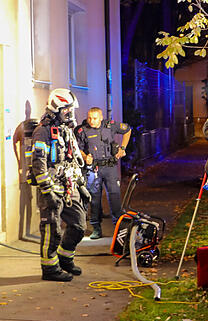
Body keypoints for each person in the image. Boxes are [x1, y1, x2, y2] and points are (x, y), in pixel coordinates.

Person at [28, 88, 89, 281]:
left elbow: (72, 158)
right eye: (66, 110)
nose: (70, 114)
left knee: (79, 225)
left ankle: (65, 258)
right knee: (52, 230)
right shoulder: (42, 131)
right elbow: (38, 163)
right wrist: (47, 191)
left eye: (71, 110)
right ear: (55, 109)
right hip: (52, 188)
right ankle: (50, 269)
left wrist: (81, 184)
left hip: (70, 186)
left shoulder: (66, 129)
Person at [75, 107, 131, 239]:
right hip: (93, 169)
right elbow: (78, 148)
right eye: (89, 118)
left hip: (110, 168)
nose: (91, 121)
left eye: (94, 118)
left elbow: (127, 130)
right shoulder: (82, 130)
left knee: (114, 196)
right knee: (94, 199)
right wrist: (84, 157)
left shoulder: (110, 126)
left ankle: (119, 228)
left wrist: (123, 148)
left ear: (101, 118)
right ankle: (96, 228)